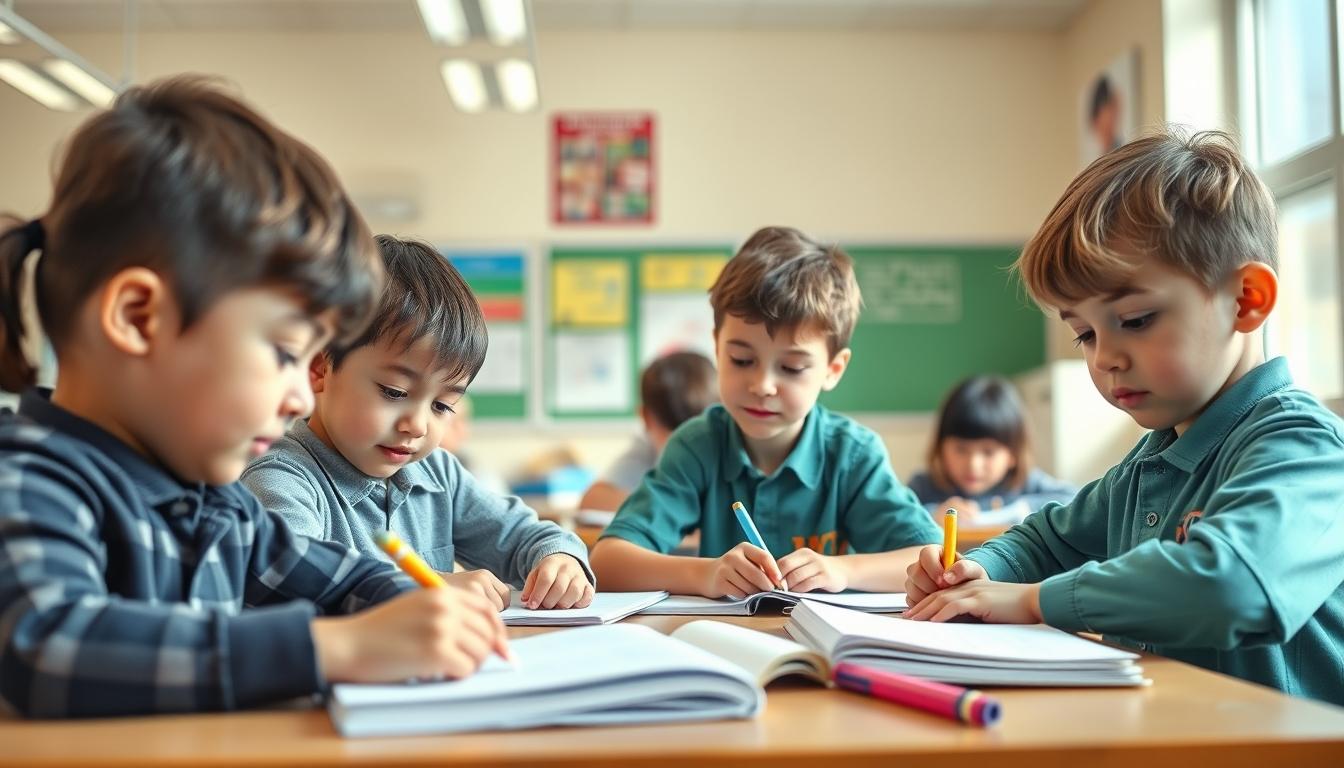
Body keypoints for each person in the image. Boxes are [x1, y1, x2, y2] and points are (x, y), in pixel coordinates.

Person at [0, 77, 507, 718]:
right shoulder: (28, 483)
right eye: (285, 353)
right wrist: (332, 649)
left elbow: (339, 575)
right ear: (138, 317)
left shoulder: (215, 506)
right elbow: (49, 649)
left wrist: (416, 606)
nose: (301, 396)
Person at [904, 129, 1344, 706]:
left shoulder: (1305, 448)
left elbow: (1229, 587)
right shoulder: (1157, 456)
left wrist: (1034, 601)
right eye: (1084, 333)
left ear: (1246, 300)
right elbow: (1048, 538)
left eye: (1134, 320)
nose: (1104, 357)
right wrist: (976, 572)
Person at [243, 235, 593, 612]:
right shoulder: (280, 474)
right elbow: (290, 570)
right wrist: (421, 585)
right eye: (394, 392)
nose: (418, 425)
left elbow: (523, 535)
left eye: (442, 406)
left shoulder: (437, 474)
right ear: (320, 369)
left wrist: (559, 560)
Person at [591, 226, 941, 598]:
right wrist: (706, 574)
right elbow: (608, 561)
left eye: (791, 368)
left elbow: (929, 560)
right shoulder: (697, 447)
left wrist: (842, 569)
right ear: (716, 347)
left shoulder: (852, 454)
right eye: (741, 360)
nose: (762, 385)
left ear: (833, 370)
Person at [906, 375, 1076, 525]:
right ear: (940, 447)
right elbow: (896, 520)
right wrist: (932, 515)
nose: (973, 465)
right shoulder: (924, 486)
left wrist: (1018, 510)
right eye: (961, 449)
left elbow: (1075, 499)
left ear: (1013, 453)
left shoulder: (1025, 483)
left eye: (988, 452)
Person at [579, 350, 717, 512]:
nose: (682, 448)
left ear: (645, 416)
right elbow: (594, 499)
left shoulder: (731, 448)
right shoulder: (646, 449)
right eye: (673, 437)